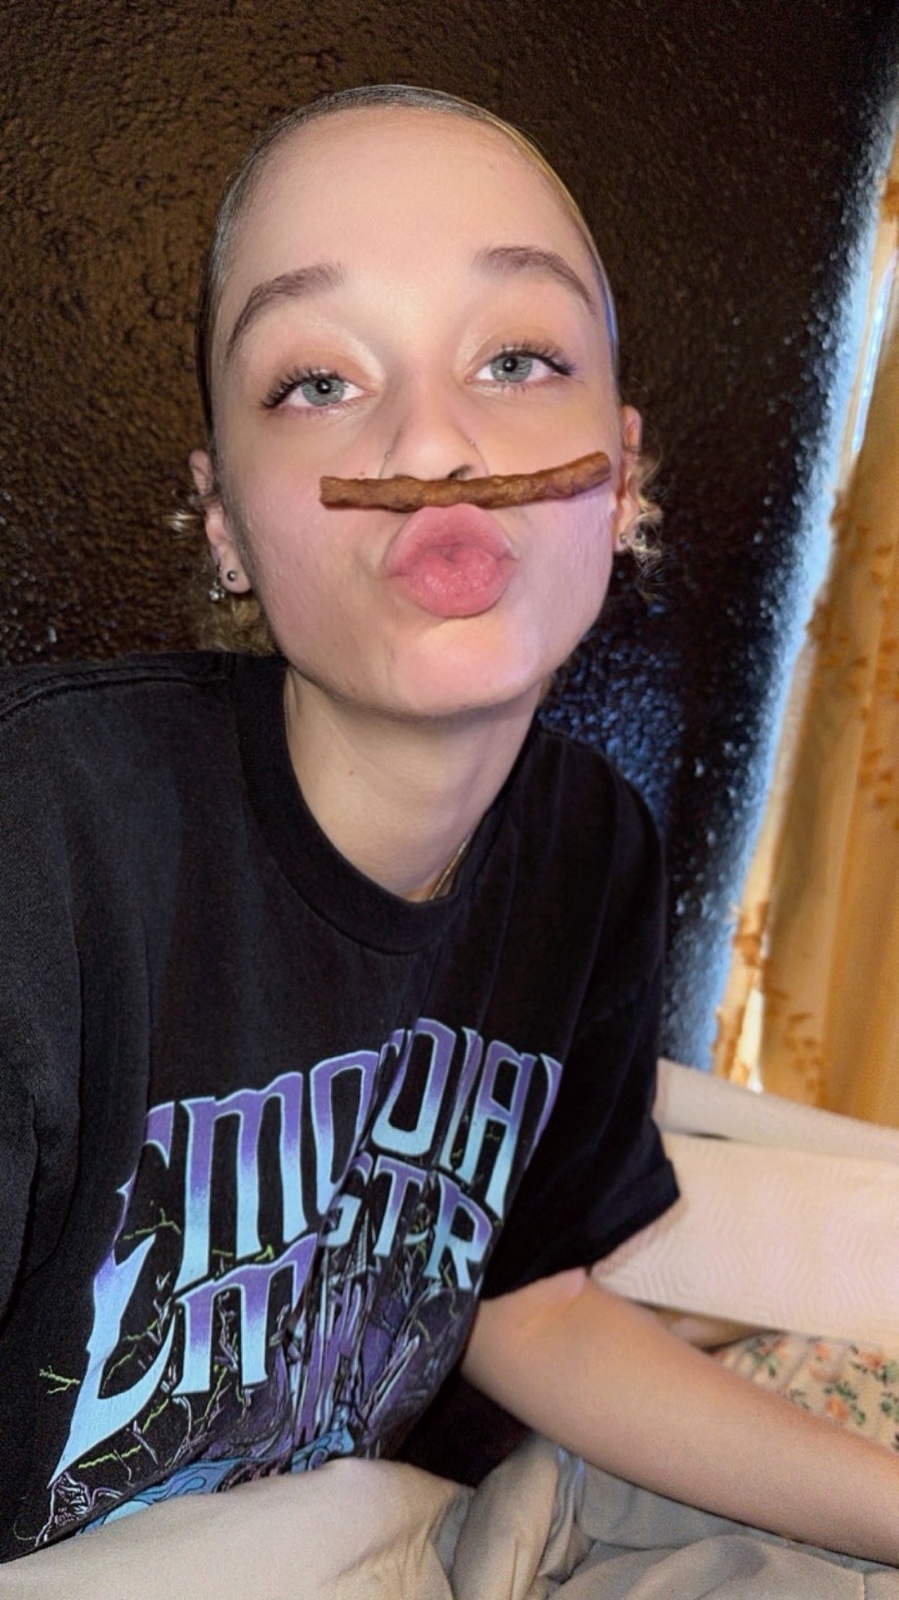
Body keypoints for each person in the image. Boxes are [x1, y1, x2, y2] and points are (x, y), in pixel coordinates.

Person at [0, 85, 897, 1583]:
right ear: (224, 522)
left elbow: (528, 1306)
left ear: (620, 476)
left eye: (516, 359)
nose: (433, 441)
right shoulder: (44, 843)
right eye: (319, 381)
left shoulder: (589, 857)